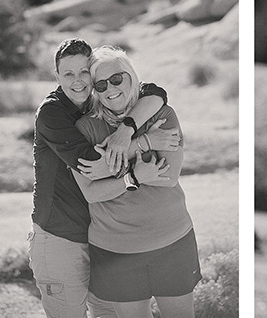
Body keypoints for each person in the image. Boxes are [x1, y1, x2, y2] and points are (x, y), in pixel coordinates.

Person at [30, 38, 179, 317]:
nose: (77, 81)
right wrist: (146, 142)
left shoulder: (100, 97)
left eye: (83, 72)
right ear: (57, 77)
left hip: (103, 239)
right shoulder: (51, 113)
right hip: (61, 238)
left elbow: (154, 92)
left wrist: (126, 130)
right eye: (68, 74)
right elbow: (95, 164)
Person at [73, 45, 200, 318]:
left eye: (116, 79)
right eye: (101, 84)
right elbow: (91, 192)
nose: (110, 89)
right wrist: (141, 159)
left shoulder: (162, 114)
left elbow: (168, 176)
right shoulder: (84, 129)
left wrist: (113, 164)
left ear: (131, 76)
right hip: (116, 250)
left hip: (172, 241)